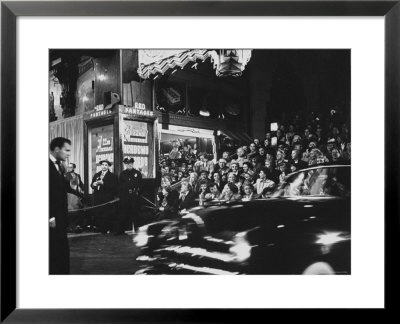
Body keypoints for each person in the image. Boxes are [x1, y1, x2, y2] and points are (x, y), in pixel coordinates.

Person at [49, 137, 71, 274]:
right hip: (52, 220)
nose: (68, 153)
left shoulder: (60, 166)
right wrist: (50, 216)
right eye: (66, 150)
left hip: (61, 218)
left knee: (61, 251)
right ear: (57, 149)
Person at [90, 159, 118, 234]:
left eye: (106, 165)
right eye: (103, 165)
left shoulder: (112, 176)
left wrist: (103, 183)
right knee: (98, 213)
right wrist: (93, 184)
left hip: (106, 198)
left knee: (106, 214)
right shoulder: (97, 174)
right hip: (97, 198)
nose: (104, 166)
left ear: (108, 166)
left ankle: (105, 229)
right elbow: (91, 185)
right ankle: (99, 227)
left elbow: (114, 187)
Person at [117, 157, 142, 234]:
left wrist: (138, 193)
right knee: (123, 213)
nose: (129, 165)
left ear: (133, 163)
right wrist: (121, 196)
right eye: (127, 163)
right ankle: (121, 231)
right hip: (125, 196)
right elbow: (120, 186)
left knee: (135, 213)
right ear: (125, 164)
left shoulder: (137, 173)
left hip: (134, 196)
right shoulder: (122, 174)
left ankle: (137, 230)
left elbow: (141, 185)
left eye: (131, 163)